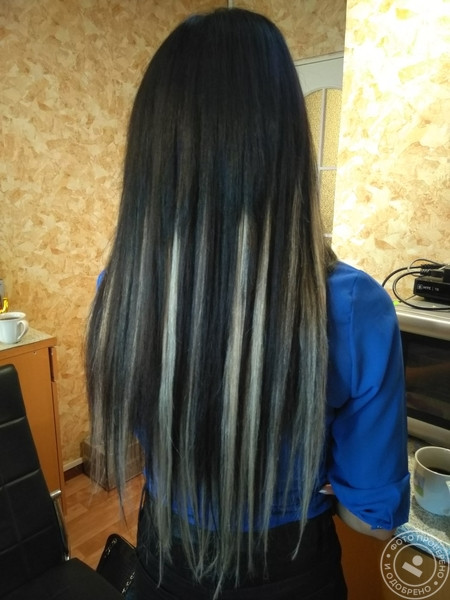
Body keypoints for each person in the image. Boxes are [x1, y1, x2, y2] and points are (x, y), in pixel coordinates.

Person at [86, 8, 409, 600]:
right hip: (294, 572)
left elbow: (143, 432)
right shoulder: (354, 307)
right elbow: (372, 519)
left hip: (163, 561)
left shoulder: (119, 290)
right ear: (286, 145)